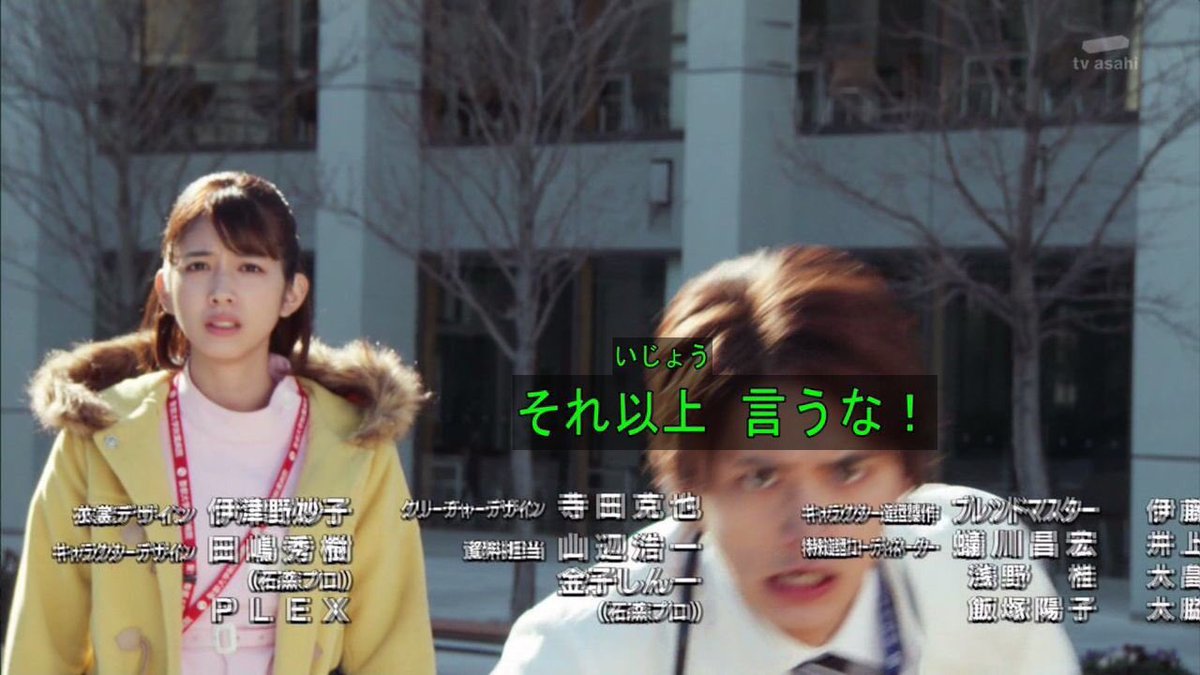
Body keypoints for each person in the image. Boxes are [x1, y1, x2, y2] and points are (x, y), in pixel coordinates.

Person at [493, 246, 1080, 675]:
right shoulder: (580, 654)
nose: (808, 527)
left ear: (905, 475)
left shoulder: (977, 568)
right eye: (760, 477)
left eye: (847, 471)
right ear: (691, 490)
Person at [2, 172, 437, 674]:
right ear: (166, 289)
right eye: (198, 265)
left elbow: (392, 644)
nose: (221, 291)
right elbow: (44, 638)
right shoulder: (103, 434)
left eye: (250, 267)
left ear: (291, 293)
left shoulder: (353, 443)